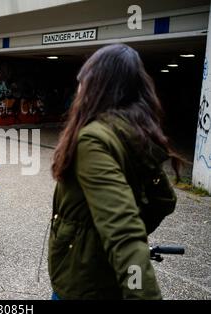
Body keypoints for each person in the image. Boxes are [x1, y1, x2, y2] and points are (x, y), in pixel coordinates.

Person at [49, 44, 183, 299]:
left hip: (81, 282)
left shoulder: (93, 139)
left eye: (82, 81)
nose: (77, 90)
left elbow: (124, 232)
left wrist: (102, 244)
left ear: (95, 86)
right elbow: (163, 200)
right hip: (102, 279)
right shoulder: (135, 132)